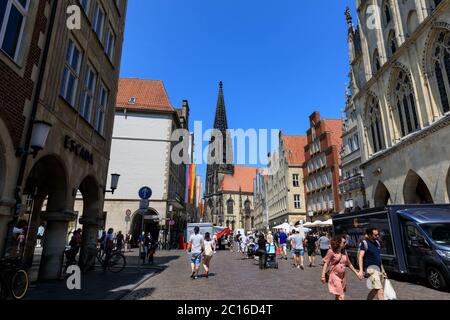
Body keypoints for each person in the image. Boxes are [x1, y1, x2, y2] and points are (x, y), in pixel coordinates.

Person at [321, 235, 361, 300]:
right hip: (334, 276)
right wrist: (323, 276)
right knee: (341, 296)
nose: (345, 243)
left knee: (337, 295)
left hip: (342, 276)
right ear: (338, 243)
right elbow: (326, 264)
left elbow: (349, 264)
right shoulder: (331, 251)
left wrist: (357, 273)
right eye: (344, 242)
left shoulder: (344, 252)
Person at [358, 228, 387, 300]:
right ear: (370, 235)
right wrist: (361, 270)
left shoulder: (377, 243)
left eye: (378, 234)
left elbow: (378, 257)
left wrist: (383, 270)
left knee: (375, 289)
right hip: (371, 268)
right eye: (375, 235)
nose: (378, 236)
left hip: (378, 269)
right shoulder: (364, 243)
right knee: (380, 289)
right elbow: (360, 257)